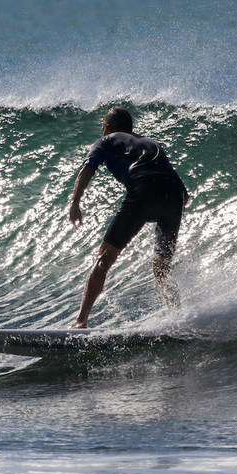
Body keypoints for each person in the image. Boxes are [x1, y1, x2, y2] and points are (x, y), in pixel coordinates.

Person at [68, 107, 189, 329]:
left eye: (103, 126)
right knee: (162, 266)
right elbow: (178, 184)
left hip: (143, 188)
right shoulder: (151, 143)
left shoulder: (106, 141)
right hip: (175, 195)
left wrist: (75, 202)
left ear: (109, 127)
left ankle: (81, 321)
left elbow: (88, 168)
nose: (102, 129)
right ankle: (178, 318)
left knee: (104, 258)